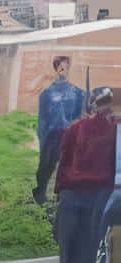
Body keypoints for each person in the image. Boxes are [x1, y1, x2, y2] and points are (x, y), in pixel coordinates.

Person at [46, 87, 116, 263]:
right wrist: (60, 191)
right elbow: (64, 160)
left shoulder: (115, 129)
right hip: (72, 189)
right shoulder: (74, 129)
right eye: (100, 102)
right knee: (67, 238)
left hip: (99, 190)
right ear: (92, 103)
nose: (102, 107)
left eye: (106, 102)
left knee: (89, 237)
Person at [34, 56, 86, 205]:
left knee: (67, 166)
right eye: (61, 67)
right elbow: (42, 119)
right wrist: (42, 138)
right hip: (52, 135)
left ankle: (62, 197)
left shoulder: (77, 93)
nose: (64, 70)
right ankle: (40, 195)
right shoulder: (47, 93)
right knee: (46, 166)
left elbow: (79, 116)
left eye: (66, 67)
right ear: (56, 69)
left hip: (68, 135)